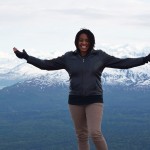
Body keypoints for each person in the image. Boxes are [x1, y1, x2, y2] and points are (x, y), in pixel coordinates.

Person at [13, 28, 150, 150]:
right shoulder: (68, 57)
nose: (83, 43)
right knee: (81, 135)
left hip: (94, 99)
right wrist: (27, 57)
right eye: (81, 40)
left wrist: (145, 59)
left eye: (87, 40)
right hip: (75, 100)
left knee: (95, 133)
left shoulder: (100, 56)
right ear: (76, 42)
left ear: (91, 42)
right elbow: (46, 65)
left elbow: (123, 63)